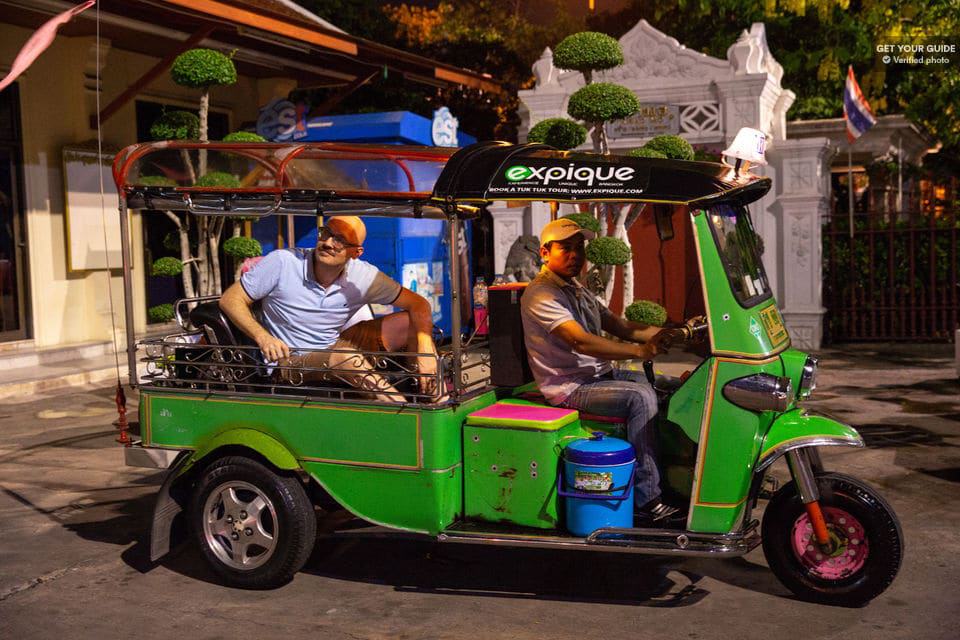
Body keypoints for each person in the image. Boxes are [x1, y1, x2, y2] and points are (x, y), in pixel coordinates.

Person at [520, 218, 692, 524]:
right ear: (545, 253)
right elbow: (580, 341)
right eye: (566, 249)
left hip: (600, 376)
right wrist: (640, 351)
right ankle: (647, 500)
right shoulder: (541, 295)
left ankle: (679, 478)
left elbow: (620, 325)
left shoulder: (576, 288)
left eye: (579, 249)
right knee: (640, 397)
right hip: (571, 387)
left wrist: (672, 333)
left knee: (670, 386)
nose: (575, 255)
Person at [220, 215, 439, 402]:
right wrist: (263, 336)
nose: (328, 242)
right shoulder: (283, 262)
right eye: (326, 233)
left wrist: (425, 351)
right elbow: (230, 299)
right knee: (344, 356)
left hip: (334, 344)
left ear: (356, 252)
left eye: (340, 240)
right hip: (291, 360)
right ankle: (405, 411)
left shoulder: (364, 276)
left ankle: (436, 399)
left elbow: (419, 304)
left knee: (410, 323)